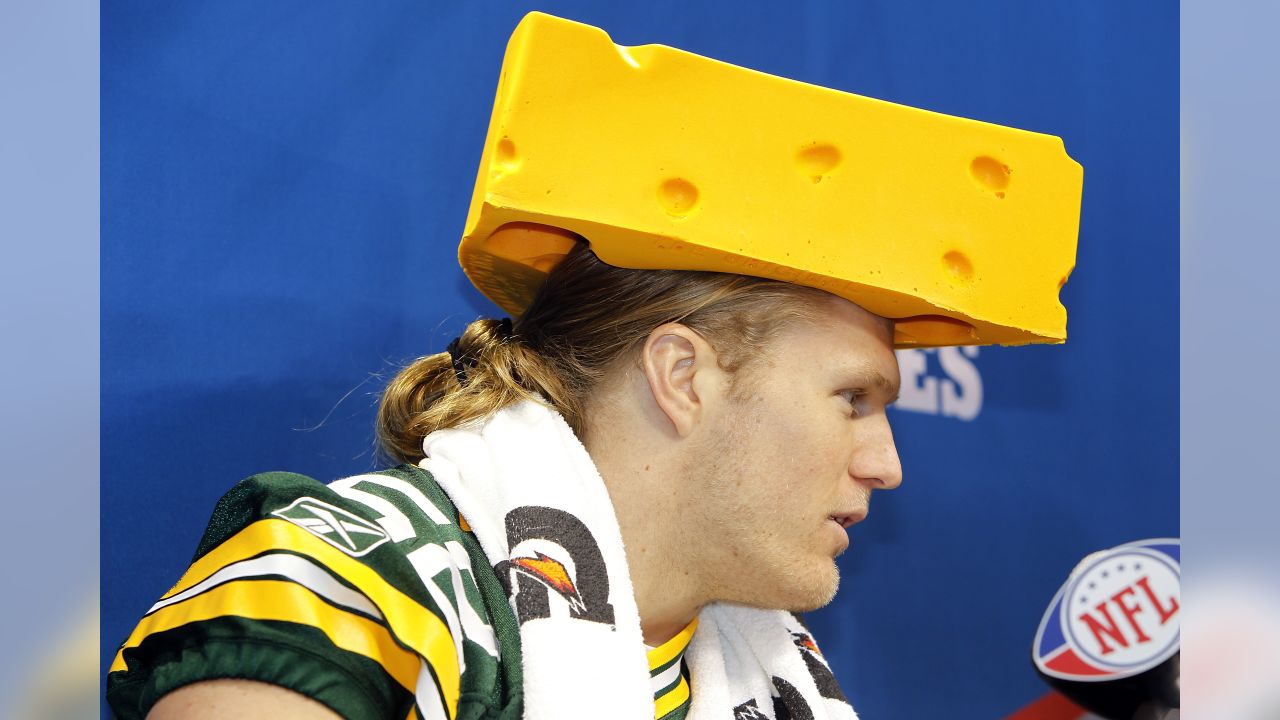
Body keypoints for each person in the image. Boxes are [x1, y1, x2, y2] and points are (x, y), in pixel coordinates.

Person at [107, 12, 1079, 720]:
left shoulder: (765, 667)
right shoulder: (338, 590)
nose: (884, 463)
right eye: (852, 400)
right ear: (681, 376)